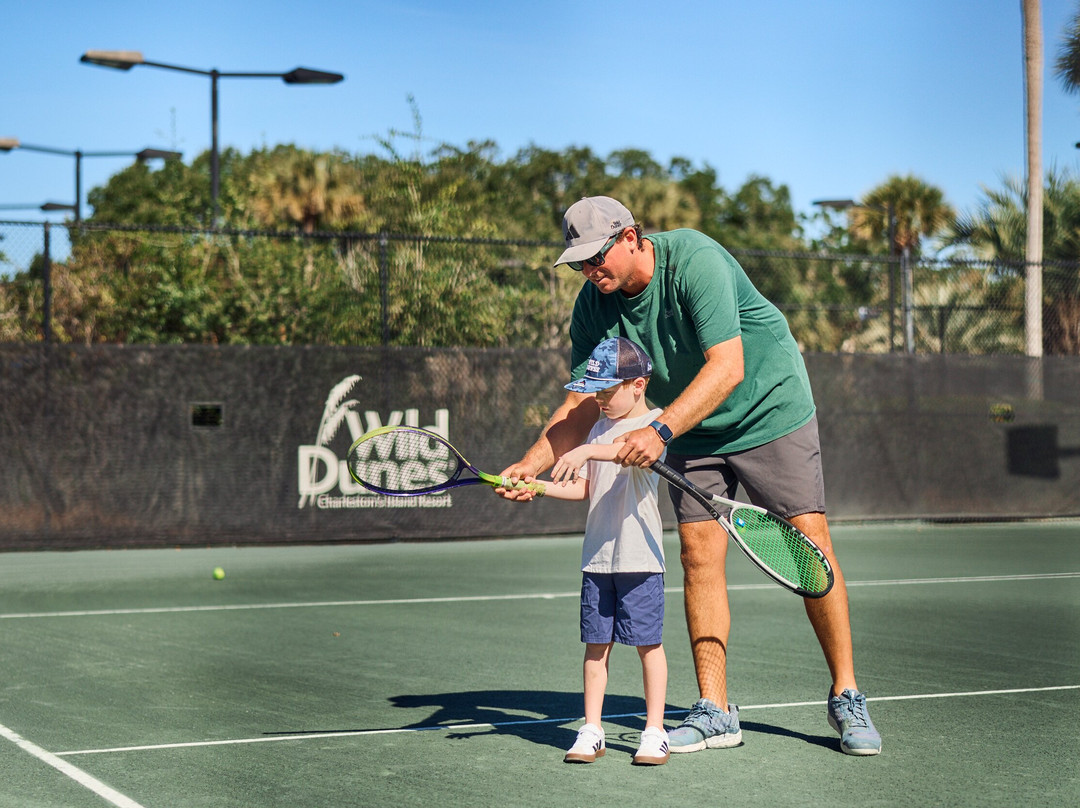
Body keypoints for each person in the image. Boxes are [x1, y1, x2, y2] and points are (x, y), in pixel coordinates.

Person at [497, 196, 881, 757]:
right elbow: (582, 404)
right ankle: (715, 709)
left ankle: (846, 693)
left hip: (767, 407)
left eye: (597, 256)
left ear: (631, 236)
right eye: (579, 263)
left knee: (809, 542)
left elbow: (728, 366)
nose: (590, 271)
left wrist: (658, 431)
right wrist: (531, 463)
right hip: (688, 426)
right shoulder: (593, 306)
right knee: (698, 556)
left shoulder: (695, 260)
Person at [538, 336, 670, 766]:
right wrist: (536, 485)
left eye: (607, 390)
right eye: (595, 390)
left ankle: (654, 732)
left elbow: (625, 454)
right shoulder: (596, 428)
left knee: (649, 646)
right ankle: (592, 729)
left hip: (641, 560)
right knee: (595, 647)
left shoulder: (656, 424)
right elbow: (585, 488)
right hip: (598, 559)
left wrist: (585, 448)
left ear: (638, 384)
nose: (600, 399)